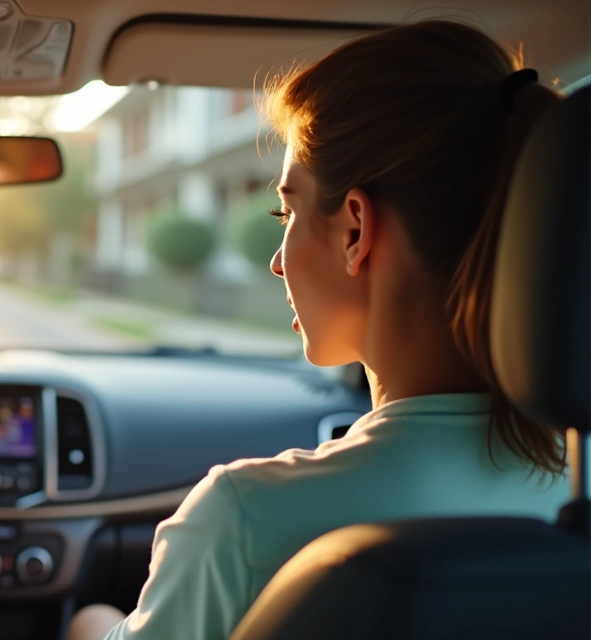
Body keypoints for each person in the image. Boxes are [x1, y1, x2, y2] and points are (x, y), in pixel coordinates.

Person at [67, 19, 572, 640]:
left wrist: (89, 623)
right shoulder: (575, 492)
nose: (276, 259)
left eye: (289, 210)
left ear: (355, 230)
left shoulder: (245, 517)